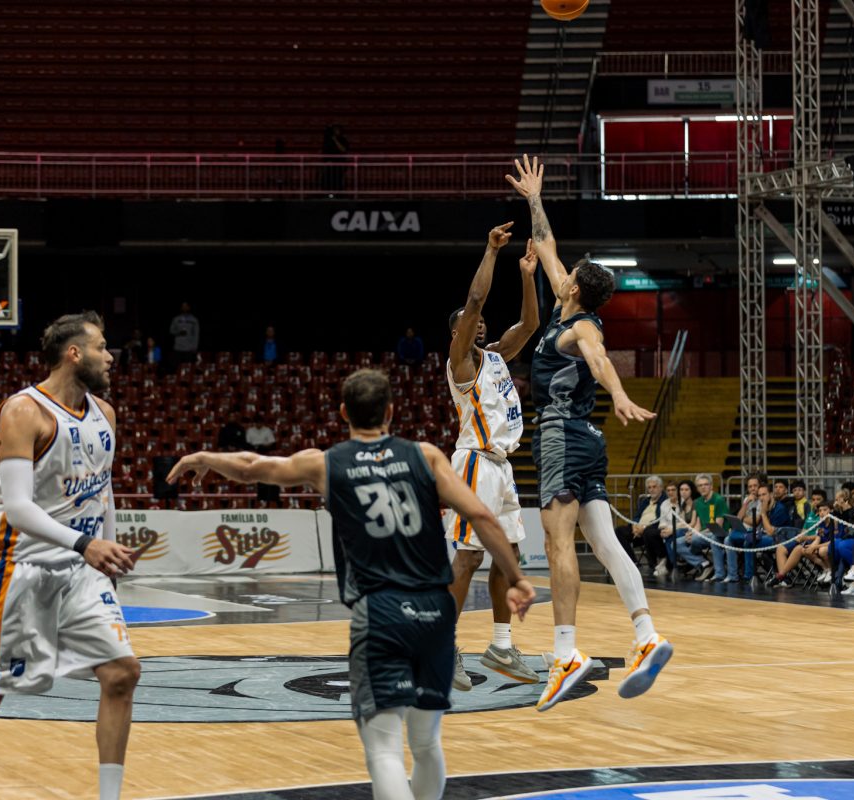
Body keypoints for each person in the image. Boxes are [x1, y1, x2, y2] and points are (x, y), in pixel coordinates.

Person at [165, 369, 536, 800]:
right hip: (434, 613)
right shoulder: (426, 456)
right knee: (426, 744)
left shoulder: (326, 463)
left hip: (381, 612)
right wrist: (516, 577)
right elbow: (483, 516)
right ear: (391, 412)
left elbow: (252, 467)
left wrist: (204, 457)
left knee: (384, 750)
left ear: (343, 413)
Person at [0, 311, 139, 800]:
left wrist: (107, 557)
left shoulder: (105, 413)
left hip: (83, 569)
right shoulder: (23, 410)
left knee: (122, 672)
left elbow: (102, 491)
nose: (110, 357)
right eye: (102, 347)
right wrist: (87, 544)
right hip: (24, 568)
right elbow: (17, 508)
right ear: (74, 353)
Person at [507, 154, 668, 711]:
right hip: (587, 442)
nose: (564, 272)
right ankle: (646, 634)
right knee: (604, 542)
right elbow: (546, 243)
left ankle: (565, 653)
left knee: (557, 543)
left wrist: (619, 393)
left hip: (560, 435)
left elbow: (599, 360)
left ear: (574, 289)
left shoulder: (579, 328)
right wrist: (534, 198)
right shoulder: (566, 304)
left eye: (570, 274)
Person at [443, 222, 540, 692]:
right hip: (475, 463)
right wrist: (492, 251)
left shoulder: (498, 355)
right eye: (469, 321)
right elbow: (477, 298)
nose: (477, 322)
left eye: (479, 321)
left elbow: (530, 325)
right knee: (468, 558)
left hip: (502, 465)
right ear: (457, 333)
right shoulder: (461, 362)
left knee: (510, 554)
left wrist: (527, 275)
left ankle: (501, 646)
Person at [614, 475, 667, 565]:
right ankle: (632, 562)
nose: (651, 490)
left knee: (648, 532)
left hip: (653, 530)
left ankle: (653, 564)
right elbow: (637, 516)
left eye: (654, 487)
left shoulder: (665, 502)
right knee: (619, 531)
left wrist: (644, 527)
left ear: (661, 488)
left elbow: (660, 519)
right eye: (649, 487)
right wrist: (634, 526)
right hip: (638, 529)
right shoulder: (645, 501)